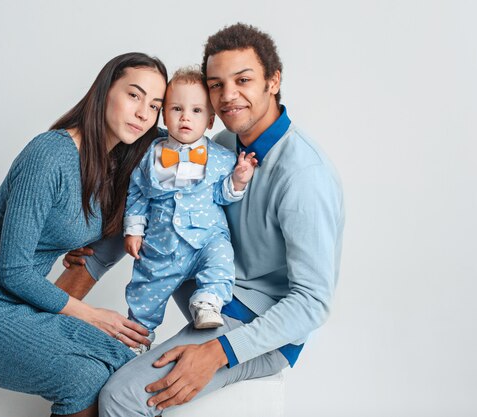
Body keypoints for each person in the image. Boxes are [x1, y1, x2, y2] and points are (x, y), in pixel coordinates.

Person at [62, 23, 345, 416]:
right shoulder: (224, 143)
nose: (228, 96)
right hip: (206, 274)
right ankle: (48, 310)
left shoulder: (304, 175)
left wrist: (221, 351)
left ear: (273, 81)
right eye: (216, 84)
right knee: (153, 197)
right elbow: (151, 193)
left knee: (120, 396)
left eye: (243, 80)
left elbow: (312, 303)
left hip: (253, 321)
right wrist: (91, 232)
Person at [0, 52, 167, 417]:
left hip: (18, 309)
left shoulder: (112, 166)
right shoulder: (50, 153)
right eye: (134, 95)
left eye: (155, 105)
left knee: (124, 368)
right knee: (87, 374)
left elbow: (185, 136)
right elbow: (13, 271)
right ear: (104, 92)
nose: (143, 113)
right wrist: (90, 315)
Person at [122, 67, 257, 353]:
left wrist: (238, 179)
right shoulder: (149, 155)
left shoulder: (222, 158)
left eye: (196, 110)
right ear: (164, 115)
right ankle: (136, 338)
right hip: (161, 244)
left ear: (209, 121)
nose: (185, 117)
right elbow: (137, 192)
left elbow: (223, 196)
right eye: (177, 109)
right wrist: (133, 229)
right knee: (146, 289)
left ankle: (207, 301)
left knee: (221, 259)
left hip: (205, 239)